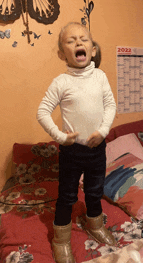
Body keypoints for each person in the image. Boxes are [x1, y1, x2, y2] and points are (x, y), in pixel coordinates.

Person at [37, 22, 116, 263]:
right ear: (62, 54)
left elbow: (110, 105)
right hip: (71, 152)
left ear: (93, 50)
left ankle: (94, 223)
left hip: (97, 148)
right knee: (67, 196)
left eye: (83, 39)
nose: (78, 43)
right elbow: (42, 111)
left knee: (95, 190)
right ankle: (60, 239)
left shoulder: (100, 77)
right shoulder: (61, 82)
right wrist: (61, 137)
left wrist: (103, 131)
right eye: (70, 41)